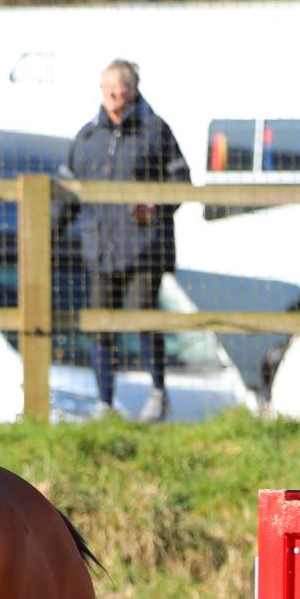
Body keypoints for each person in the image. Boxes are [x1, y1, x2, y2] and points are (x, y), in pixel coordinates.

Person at [60, 59, 190, 421]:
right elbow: (68, 192)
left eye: (122, 91)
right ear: (101, 92)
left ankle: (158, 395)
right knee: (101, 326)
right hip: (101, 249)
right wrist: (44, 233)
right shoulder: (88, 137)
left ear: (134, 91)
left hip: (145, 248)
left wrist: (157, 203)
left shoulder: (155, 130)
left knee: (144, 318)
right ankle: (104, 403)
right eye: (109, 91)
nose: (116, 98)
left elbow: (181, 180)